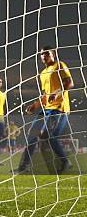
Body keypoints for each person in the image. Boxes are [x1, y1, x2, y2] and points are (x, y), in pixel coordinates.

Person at [14, 46, 74, 174]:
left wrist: (57, 93)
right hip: (46, 109)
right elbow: (46, 95)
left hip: (59, 109)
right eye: (41, 54)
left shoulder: (60, 65)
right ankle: (23, 167)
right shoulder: (43, 73)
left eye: (46, 54)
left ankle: (65, 161)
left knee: (49, 136)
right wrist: (35, 105)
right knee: (32, 135)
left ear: (53, 54)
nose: (43, 56)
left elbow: (69, 83)